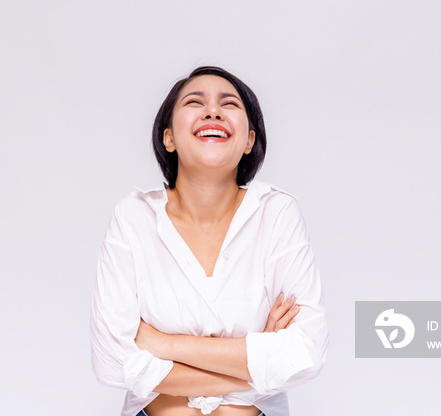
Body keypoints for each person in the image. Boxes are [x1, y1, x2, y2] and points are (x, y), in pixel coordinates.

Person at [90, 66, 329, 416]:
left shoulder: (277, 213)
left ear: (249, 139)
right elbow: (112, 362)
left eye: (228, 103)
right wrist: (260, 362)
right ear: (168, 138)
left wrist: (162, 343)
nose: (212, 110)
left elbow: (307, 352)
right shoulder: (133, 216)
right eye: (194, 101)